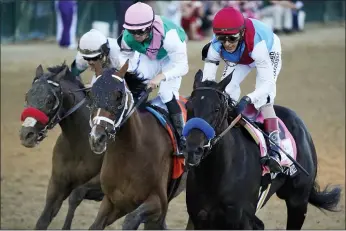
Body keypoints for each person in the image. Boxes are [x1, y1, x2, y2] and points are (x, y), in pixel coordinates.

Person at [201, 6, 283, 173]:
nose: (227, 44)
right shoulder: (215, 46)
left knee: (264, 100)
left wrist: (247, 99)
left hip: (267, 51)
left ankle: (275, 152)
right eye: (222, 39)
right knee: (227, 92)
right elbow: (208, 83)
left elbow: (266, 84)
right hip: (241, 57)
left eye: (232, 38)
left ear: (243, 32)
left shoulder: (257, 43)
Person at [118, 2, 189, 158]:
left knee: (166, 93)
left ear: (150, 26)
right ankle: (135, 132)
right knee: (137, 87)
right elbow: (124, 56)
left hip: (171, 58)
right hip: (150, 56)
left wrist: (161, 76)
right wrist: (128, 74)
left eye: (140, 31)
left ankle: (182, 139)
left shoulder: (170, 37)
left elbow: (183, 67)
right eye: (132, 31)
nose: (136, 36)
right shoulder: (127, 37)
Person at [70, 28, 144, 86]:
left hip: (136, 72)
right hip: (107, 69)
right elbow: (71, 76)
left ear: (105, 52)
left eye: (95, 58)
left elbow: (131, 84)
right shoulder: (82, 55)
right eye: (87, 58)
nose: (90, 62)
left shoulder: (119, 57)